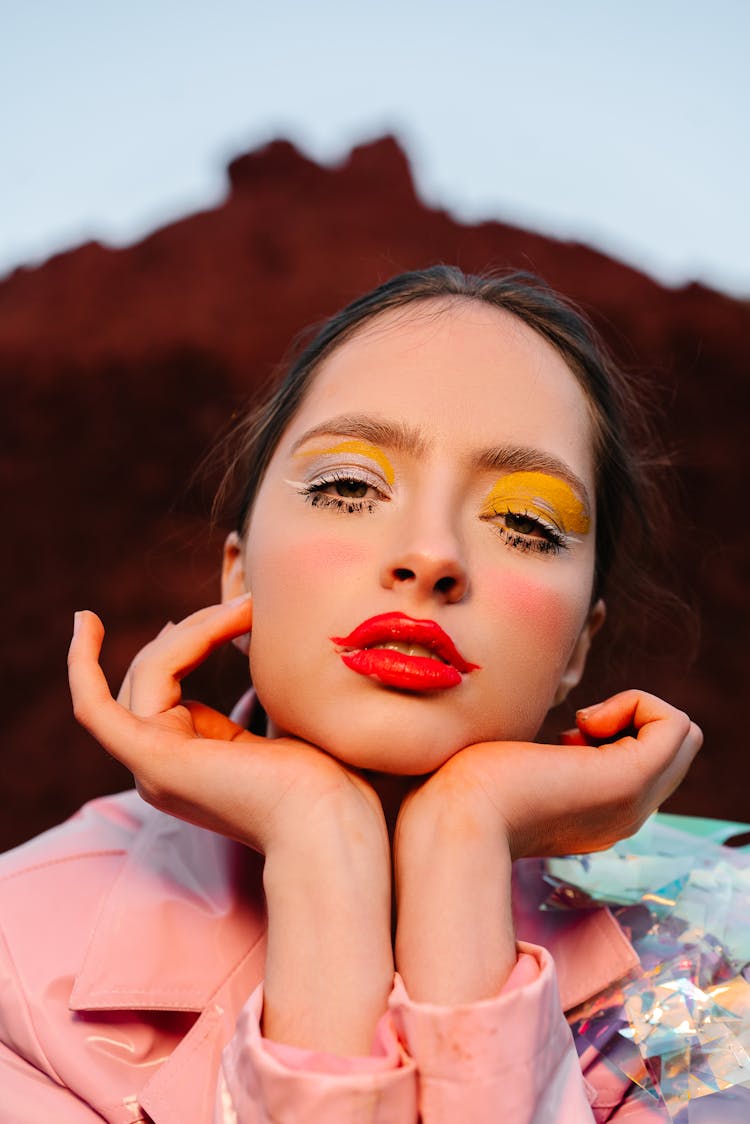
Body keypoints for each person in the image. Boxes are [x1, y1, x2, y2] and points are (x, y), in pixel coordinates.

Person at [0, 266, 707, 1123]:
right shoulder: (16, 953)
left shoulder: (709, 966)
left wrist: (464, 844)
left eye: (525, 523)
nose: (430, 553)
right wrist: (319, 846)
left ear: (578, 648)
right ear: (237, 583)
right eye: (349, 488)